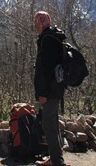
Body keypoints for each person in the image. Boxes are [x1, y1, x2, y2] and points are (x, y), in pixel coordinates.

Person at [33, 11, 69, 166]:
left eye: (36, 22)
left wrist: (42, 93)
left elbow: (46, 71)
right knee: (52, 123)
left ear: (40, 23)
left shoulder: (47, 41)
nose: (35, 25)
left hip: (50, 91)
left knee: (48, 125)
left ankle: (57, 162)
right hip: (57, 89)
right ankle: (55, 159)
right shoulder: (54, 38)